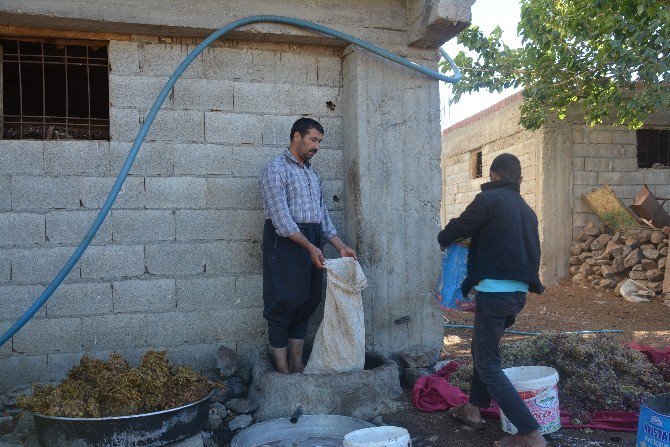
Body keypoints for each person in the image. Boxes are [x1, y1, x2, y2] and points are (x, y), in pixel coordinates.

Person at [437, 153, 546, 447]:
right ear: (519, 180)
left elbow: (459, 228)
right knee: (483, 349)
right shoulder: (527, 211)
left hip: (495, 294)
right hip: (516, 295)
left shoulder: (489, 200)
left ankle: (530, 434)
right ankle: (473, 408)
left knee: (487, 363)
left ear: (493, 177)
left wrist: (441, 240)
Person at [259, 117, 357, 375]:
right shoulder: (276, 169)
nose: (317, 146)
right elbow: (281, 219)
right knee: (283, 302)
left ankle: (297, 364)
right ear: (296, 136)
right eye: (313, 139)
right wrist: (310, 248)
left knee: (308, 300)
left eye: (320, 141)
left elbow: (322, 216)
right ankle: (281, 370)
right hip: (285, 241)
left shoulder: (312, 174)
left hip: (311, 238)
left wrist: (340, 246)